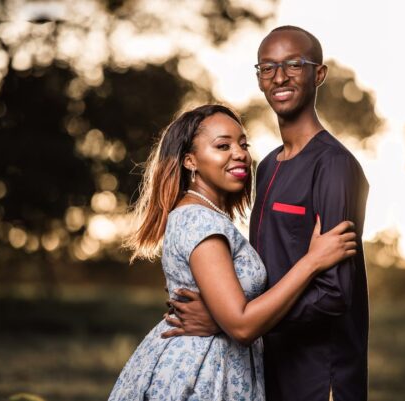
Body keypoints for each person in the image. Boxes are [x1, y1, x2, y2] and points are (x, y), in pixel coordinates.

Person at [163, 27, 370, 401]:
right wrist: (237, 320)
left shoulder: (334, 165)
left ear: (318, 74)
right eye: (268, 67)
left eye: (294, 64)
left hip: (321, 375)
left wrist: (228, 323)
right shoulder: (268, 165)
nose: (279, 77)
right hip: (268, 364)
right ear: (259, 78)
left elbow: (335, 293)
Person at [108, 104, 357, 400]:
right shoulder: (199, 220)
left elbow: (234, 317)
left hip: (219, 365)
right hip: (202, 374)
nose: (239, 153)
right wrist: (312, 262)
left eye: (242, 144)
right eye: (222, 146)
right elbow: (241, 325)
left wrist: (219, 321)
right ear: (191, 161)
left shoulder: (207, 217)